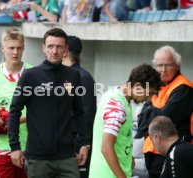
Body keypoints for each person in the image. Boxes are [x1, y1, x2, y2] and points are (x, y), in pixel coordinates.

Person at [8, 28, 90, 178]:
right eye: (50, 46)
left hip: (67, 156)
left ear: (66, 49)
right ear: (43, 48)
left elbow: (79, 112)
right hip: (38, 157)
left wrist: (84, 143)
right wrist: (15, 146)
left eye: (59, 47)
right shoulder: (30, 76)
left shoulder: (73, 75)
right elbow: (14, 111)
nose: (54, 51)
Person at [89, 64, 162, 178]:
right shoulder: (117, 106)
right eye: (150, 93)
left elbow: (120, 138)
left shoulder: (117, 94)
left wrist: (128, 158)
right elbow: (106, 147)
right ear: (138, 86)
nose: (149, 98)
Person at [136, 45, 193, 178]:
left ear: (177, 65)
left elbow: (162, 121)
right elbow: (141, 122)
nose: (163, 70)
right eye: (159, 65)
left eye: (167, 65)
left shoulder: (183, 88)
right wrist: (155, 112)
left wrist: (151, 111)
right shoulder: (158, 86)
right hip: (153, 152)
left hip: (170, 154)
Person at [0, 28, 32, 178]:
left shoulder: (34, 74)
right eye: (11, 48)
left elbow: (43, 111)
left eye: (19, 48)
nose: (15, 52)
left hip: (29, 147)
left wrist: (13, 121)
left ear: (24, 48)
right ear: (2, 48)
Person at [62, 35, 97, 178]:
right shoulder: (62, 76)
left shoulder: (83, 78)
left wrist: (81, 145)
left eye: (59, 47)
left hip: (75, 149)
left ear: (65, 51)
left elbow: (86, 116)